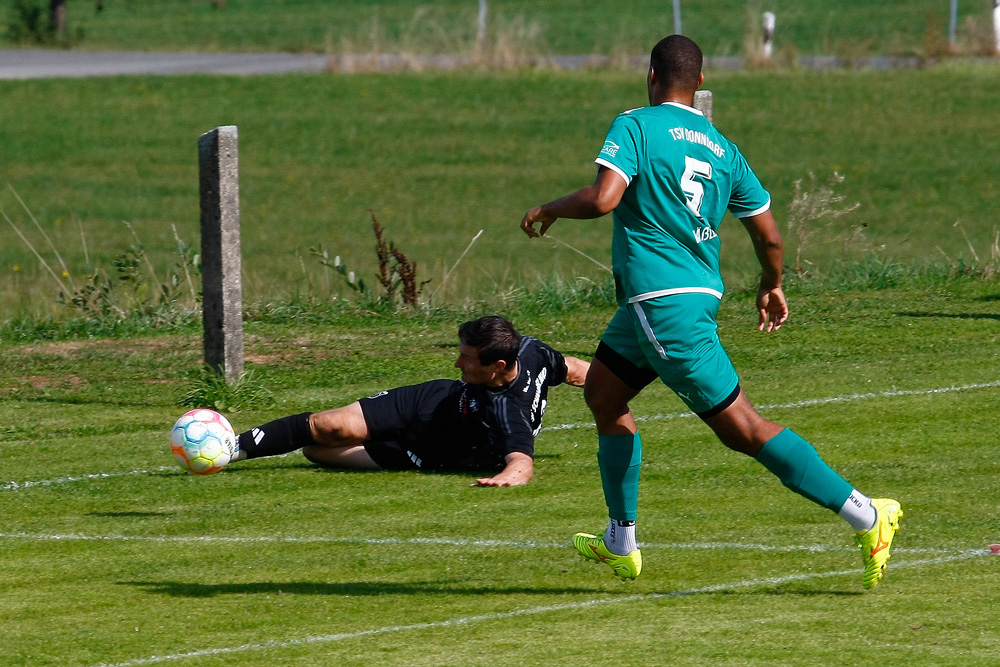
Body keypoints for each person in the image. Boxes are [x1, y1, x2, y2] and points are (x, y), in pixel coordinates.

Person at [519, 35, 902, 588]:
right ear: (698, 84)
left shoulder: (635, 125)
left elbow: (604, 199)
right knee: (604, 394)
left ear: (650, 75)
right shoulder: (725, 149)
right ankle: (620, 542)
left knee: (742, 429)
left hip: (661, 304)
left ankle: (867, 514)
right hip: (678, 300)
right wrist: (771, 284)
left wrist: (548, 207)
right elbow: (769, 237)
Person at [228, 315, 589, 487]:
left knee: (316, 451)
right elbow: (573, 369)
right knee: (328, 426)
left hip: (429, 451)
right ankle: (231, 449)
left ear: (496, 367)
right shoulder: (528, 349)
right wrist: (616, 389)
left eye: (466, 358)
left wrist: (508, 478)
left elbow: (521, 461)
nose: (457, 362)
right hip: (433, 400)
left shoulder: (506, 409)